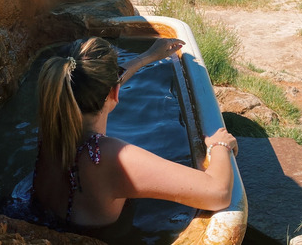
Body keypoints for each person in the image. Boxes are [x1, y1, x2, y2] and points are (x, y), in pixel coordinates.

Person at [31, 36, 238, 237]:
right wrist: (219, 144)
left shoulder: (49, 127)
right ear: (115, 93)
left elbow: (97, 83)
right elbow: (218, 193)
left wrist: (147, 56)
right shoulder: (109, 157)